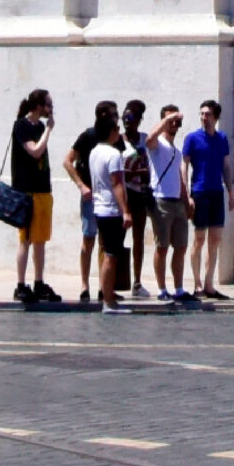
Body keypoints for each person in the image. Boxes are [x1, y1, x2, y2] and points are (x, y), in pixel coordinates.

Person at [8, 90, 61, 307]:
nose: (50, 108)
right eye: (48, 104)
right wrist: (49, 130)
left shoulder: (39, 127)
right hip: (26, 190)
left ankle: (39, 282)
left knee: (41, 239)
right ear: (38, 106)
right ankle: (20, 285)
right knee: (26, 239)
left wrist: (45, 128)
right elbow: (36, 151)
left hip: (42, 189)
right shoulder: (21, 126)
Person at [68, 99, 115, 306]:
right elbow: (67, 161)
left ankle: (102, 287)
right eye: (113, 114)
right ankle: (84, 285)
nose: (116, 118)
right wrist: (81, 185)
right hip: (90, 195)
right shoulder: (88, 136)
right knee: (89, 239)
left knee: (105, 243)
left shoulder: (113, 137)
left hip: (107, 196)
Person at [183, 100, 232, 298]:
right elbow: (184, 165)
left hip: (216, 192)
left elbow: (226, 166)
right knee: (199, 238)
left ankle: (209, 283)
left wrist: (231, 191)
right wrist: (187, 194)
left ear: (216, 117)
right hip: (199, 191)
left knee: (215, 240)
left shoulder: (222, 138)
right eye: (202, 114)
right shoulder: (192, 138)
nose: (204, 117)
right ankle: (197, 284)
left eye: (208, 114)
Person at [84, 109, 131, 313]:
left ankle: (108, 297)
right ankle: (108, 301)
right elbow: (117, 184)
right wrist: (126, 211)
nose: (119, 131)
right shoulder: (113, 154)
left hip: (99, 208)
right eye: (117, 128)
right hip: (111, 210)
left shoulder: (94, 152)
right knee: (111, 255)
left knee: (108, 254)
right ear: (111, 131)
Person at [145, 108, 193, 302]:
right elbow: (148, 139)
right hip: (161, 200)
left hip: (177, 202)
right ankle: (161, 289)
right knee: (162, 247)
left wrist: (186, 199)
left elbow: (180, 179)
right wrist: (166, 119)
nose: (174, 124)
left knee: (180, 247)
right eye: (171, 121)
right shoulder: (158, 145)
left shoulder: (177, 151)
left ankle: (179, 289)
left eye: (177, 121)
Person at [120, 100, 154, 281]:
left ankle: (137, 280)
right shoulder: (118, 141)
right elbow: (116, 171)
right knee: (118, 237)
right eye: (124, 117)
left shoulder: (144, 139)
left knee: (138, 237)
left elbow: (149, 169)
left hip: (140, 193)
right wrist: (134, 172)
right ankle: (116, 279)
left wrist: (139, 173)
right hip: (124, 194)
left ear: (139, 120)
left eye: (131, 117)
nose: (126, 121)